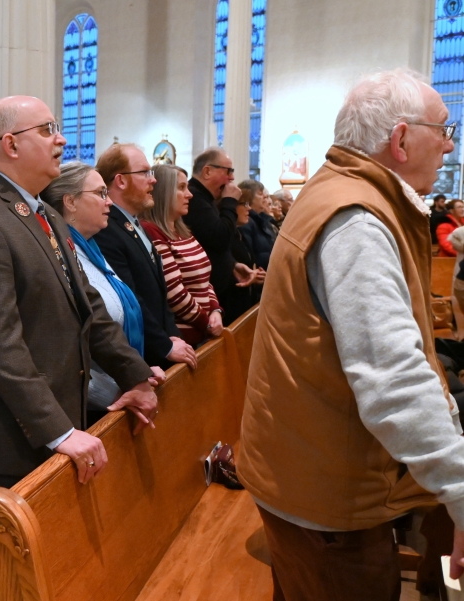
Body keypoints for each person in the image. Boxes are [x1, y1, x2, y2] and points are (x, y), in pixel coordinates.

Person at [238, 68, 464, 600]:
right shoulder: (357, 220)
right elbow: (392, 376)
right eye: (444, 129)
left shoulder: (338, 190)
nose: (450, 146)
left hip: (306, 471)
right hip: (325, 498)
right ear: (402, 139)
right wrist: (458, 487)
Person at [0, 96, 162, 601]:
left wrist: (136, 374)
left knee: (34, 579)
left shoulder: (45, 217)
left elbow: (91, 313)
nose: (61, 138)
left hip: (38, 428)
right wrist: (60, 431)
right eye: (48, 129)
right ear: (10, 144)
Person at [41, 161, 147, 422]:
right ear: (70, 202)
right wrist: (115, 392)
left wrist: (137, 375)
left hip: (117, 393)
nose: (109, 201)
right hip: (92, 407)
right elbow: (63, 349)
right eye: (100, 193)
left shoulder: (92, 251)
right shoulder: (59, 257)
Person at [93, 143, 196, 370]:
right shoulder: (107, 230)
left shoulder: (134, 224)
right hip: (143, 356)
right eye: (144, 172)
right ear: (120, 180)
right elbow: (131, 298)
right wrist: (164, 346)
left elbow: (160, 294)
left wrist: (173, 337)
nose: (154, 180)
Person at [141, 164, 222, 346]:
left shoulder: (182, 231)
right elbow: (174, 290)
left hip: (204, 331)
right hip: (186, 336)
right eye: (181, 188)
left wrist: (216, 311)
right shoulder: (152, 231)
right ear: (163, 192)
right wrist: (206, 322)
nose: (190, 194)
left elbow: (204, 279)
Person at [183, 147, 255, 323]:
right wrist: (230, 201)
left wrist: (232, 264)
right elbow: (221, 238)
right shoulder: (196, 199)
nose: (231, 178)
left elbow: (212, 244)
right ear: (207, 171)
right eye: (228, 171)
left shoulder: (206, 198)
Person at [237, 179, 277, 269]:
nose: (265, 197)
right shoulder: (245, 222)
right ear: (248, 197)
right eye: (260, 194)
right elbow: (248, 255)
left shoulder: (263, 221)